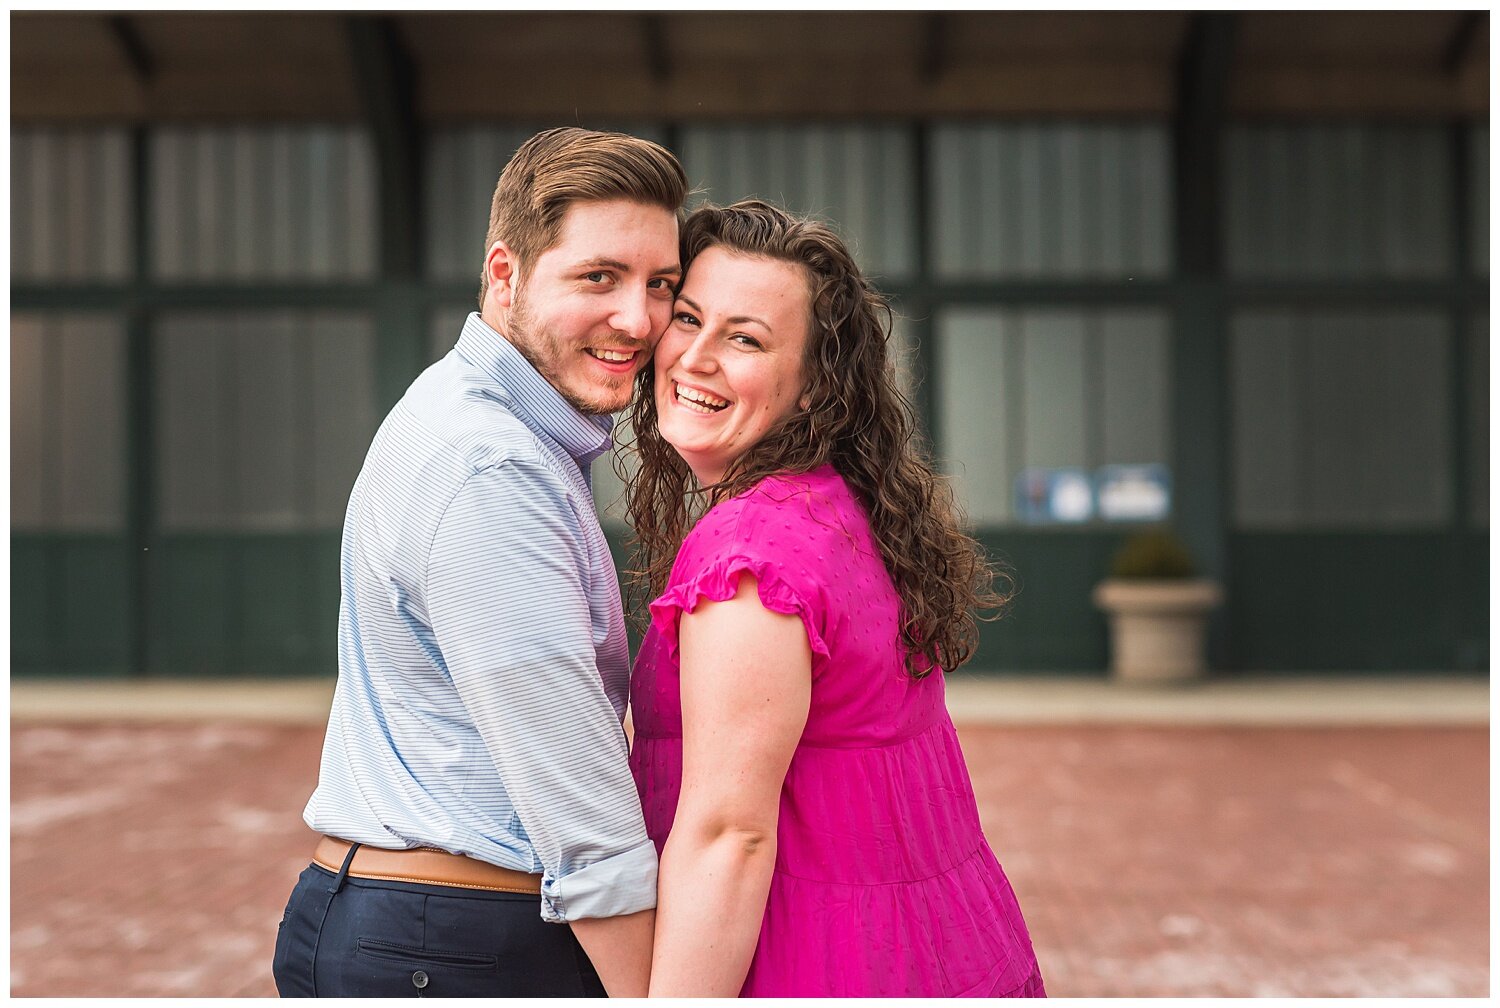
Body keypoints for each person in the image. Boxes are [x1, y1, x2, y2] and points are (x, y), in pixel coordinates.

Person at [272, 127, 687, 998]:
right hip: (454, 946)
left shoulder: (465, 414)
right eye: (598, 277)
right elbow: (578, 802)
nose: (639, 319)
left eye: (662, 286)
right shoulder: (491, 469)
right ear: (504, 275)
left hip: (412, 928)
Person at [624, 200, 1047, 997]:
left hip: (819, 961)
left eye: (745, 338)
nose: (696, 357)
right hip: (931, 950)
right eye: (687, 318)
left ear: (816, 387)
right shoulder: (842, 513)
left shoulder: (749, 556)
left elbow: (728, 838)